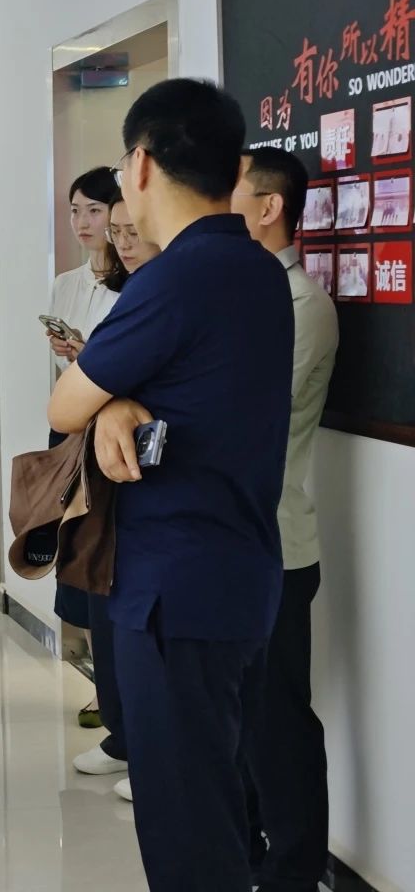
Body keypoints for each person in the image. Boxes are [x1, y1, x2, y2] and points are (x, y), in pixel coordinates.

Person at [48, 78, 294, 892]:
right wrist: (118, 399)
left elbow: (63, 403)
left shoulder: (175, 278)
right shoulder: (256, 268)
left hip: (172, 591)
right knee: (220, 803)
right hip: (237, 571)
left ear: (143, 164)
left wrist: (105, 397)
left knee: (186, 823)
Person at [233, 146, 338, 892]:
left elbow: (238, 416)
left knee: (277, 720)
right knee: (238, 719)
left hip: (275, 545)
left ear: (269, 208)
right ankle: (248, 856)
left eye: (230, 191)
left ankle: (296, 870)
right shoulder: (243, 296)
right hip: (232, 545)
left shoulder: (300, 305)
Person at [76, 197, 164, 801]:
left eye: (134, 231)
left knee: (145, 632)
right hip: (109, 486)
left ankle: (147, 751)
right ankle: (123, 736)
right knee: (105, 612)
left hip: (152, 490)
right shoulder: (128, 293)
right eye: (117, 232)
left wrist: (102, 392)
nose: (124, 242)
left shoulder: (173, 294)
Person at [47, 167, 125, 729]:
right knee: (79, 558)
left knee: (109, 560)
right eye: (75, 210)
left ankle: (117, 694)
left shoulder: (136, 280)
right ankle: (104, 685)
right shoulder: (66, 283)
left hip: (113, 431)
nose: (83, 222)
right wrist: (71, 355)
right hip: (72, 429)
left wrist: (87, 358)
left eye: (94, 210)